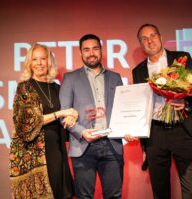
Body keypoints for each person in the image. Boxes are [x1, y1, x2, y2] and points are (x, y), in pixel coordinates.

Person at [132, 24, 192, 199]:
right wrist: (143, 145)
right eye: (144, 39)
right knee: (160, 192)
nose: (150, 41)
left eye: (153, 35)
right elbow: (140, 106)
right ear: (141, 45)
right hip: (155, 135)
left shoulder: (181, 58)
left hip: (183, 130)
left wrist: (186, 105)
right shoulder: (138, 71)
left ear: (161, 37)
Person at [59, 34, 136, 199]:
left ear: (101, 51)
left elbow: (123, 110)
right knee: (84, 196)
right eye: (86, 49)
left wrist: (128, 128)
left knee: (114, 196)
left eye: (95, 48)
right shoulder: (70, 78)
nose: (91, 53)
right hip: (83, 145)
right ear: (80, 53)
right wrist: (82, 132)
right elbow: (63, 113)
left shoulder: (114, 78)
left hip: (111, 144)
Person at [9, 44, 78, 199]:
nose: (39, 63)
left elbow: (68, 111)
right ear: (29, 63)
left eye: (43, 59)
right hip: (34, 154)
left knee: (60, 192)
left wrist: (70, 117)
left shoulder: (57, 88)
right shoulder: (24, 88)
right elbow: (27, 122)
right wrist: (62, 113)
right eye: (35, 59)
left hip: (57, 150)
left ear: (49, 62)